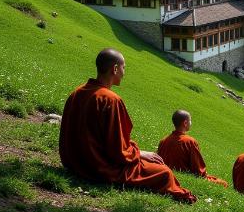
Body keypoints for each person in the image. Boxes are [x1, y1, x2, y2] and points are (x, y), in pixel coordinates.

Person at [59, 48, 196, 203]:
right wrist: (139, 153)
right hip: (97, 168)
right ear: (115, 69)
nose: (124, 72)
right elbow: (117, 150)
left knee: (154, 164)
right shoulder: (110, 99)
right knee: (164, 172)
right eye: (123, 67)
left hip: (74, 162)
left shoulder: (76, 92)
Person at [157, 110, 228, 187]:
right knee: (224, 184)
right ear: (185, 123)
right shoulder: (189, 141)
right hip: (183, 175)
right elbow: (198, 170)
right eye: (190, 120)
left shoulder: (163, 140)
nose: (191, 123)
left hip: (165, 172)